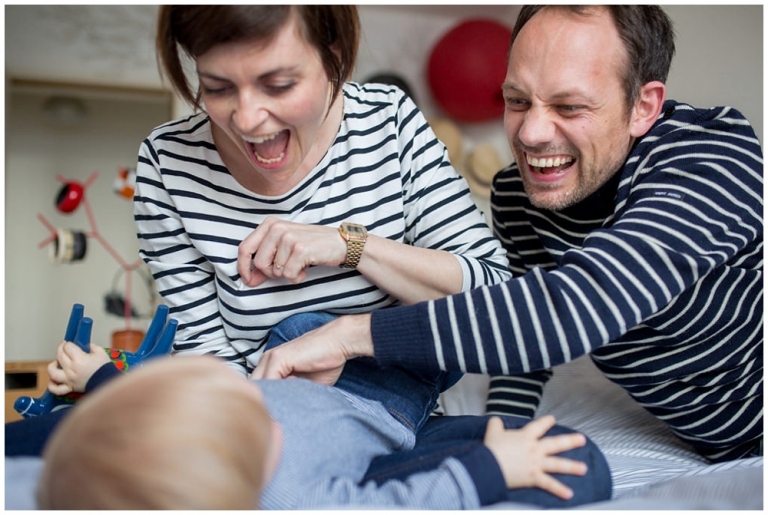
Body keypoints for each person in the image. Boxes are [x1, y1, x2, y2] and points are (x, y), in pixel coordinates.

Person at [253, 5, 763, 464]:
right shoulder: (520, 196)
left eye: (569, 107)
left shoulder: (712, 160)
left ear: (644, 108)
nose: (530, 133)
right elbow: (523, 335)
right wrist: (506, 437)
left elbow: (576, 306)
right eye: (517, 100)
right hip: (717, 444)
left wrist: (350, 336)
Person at [34, 354, 606, 509]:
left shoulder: (192, 434)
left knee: (302, 328)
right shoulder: (297, 500)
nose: (261, 414)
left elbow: (153, 406)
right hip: (388, 420)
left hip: (324, 380)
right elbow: (405, 504)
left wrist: (101, 377)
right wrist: (493, 469)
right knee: (572, 458)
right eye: (253, 430)